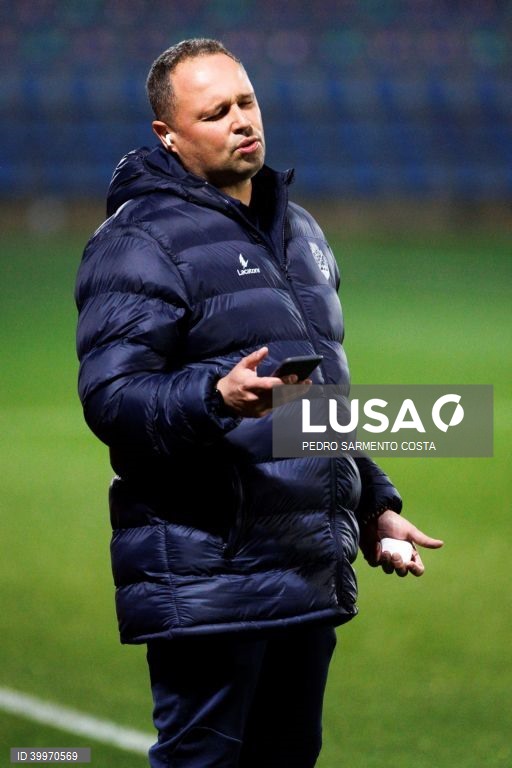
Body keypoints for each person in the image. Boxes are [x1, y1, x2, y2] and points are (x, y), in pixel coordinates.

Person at [75, 38, 443, 768]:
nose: (242, 120)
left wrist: (373, 504)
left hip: (303, 570)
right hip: (210, 575)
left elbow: (316, 402)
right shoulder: (138, 242)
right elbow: (112, 400)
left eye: (246, 102)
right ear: (168, 136)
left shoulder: (300, 232)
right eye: (215, 112)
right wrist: (215, 396)